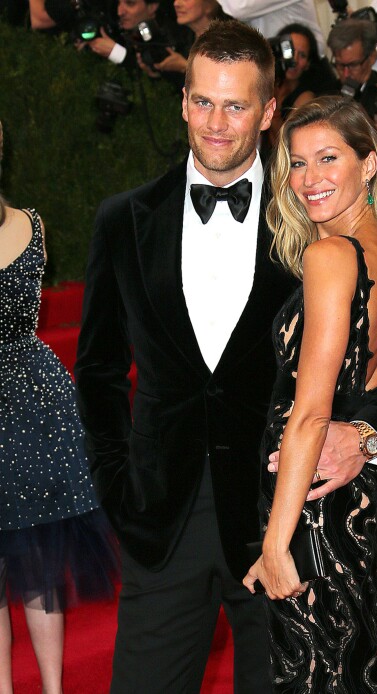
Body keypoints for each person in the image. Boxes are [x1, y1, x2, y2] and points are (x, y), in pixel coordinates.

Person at [75, 20, 377, 693]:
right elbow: (96, 373)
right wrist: (120, 490)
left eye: (236, 105)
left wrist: (368, 433)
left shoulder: (314, 217)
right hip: (161, 522)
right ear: (182, 100)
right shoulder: (123, 219)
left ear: (267, 113)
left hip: (284, 525)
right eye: (203, 100)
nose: (215, 122)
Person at [242, 96, 377, 691]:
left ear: (369, 164)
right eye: (297, 164)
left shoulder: (332, 255)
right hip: (366, 505)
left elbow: (310, 414)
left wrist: (276, 544)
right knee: (364, 672)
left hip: (318, 514)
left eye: (328, 158)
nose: (309, 180)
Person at [0, 121, 118, 694]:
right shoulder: (30, 224)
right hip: (26, 395)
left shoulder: (32, 224)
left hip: (34, 404)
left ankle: (52, 690)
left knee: (39, 559)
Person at [327, 18, 377, 125]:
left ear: (372, 57)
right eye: (340, 65)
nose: (346, 74)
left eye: (353, 65)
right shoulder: (326, 96)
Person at [267, 23, 318, 147]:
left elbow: (288, 145)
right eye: (290, 51)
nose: (294, 60)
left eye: (302, 55)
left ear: (308, 64)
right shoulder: (266, 83)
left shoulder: (306, 98)